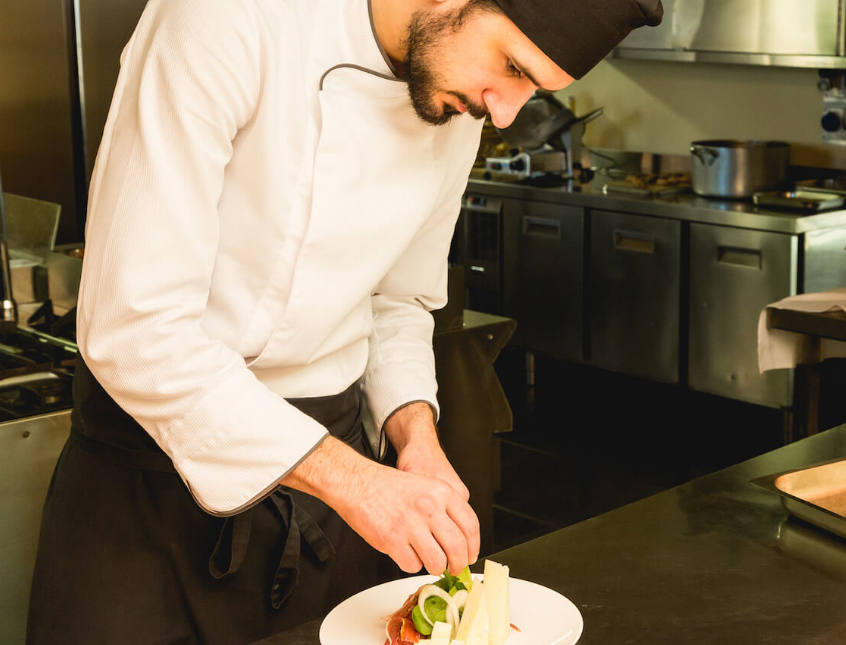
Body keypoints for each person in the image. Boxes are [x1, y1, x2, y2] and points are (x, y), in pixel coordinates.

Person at [25, 0, 662, 642]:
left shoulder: (456, 101)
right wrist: (356, 482)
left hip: (328, 516)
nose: (504, 112)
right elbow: (135, 331)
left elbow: (398, 300)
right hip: (147, 500)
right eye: (512, 67)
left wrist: (416, 437)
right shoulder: (225, 18)